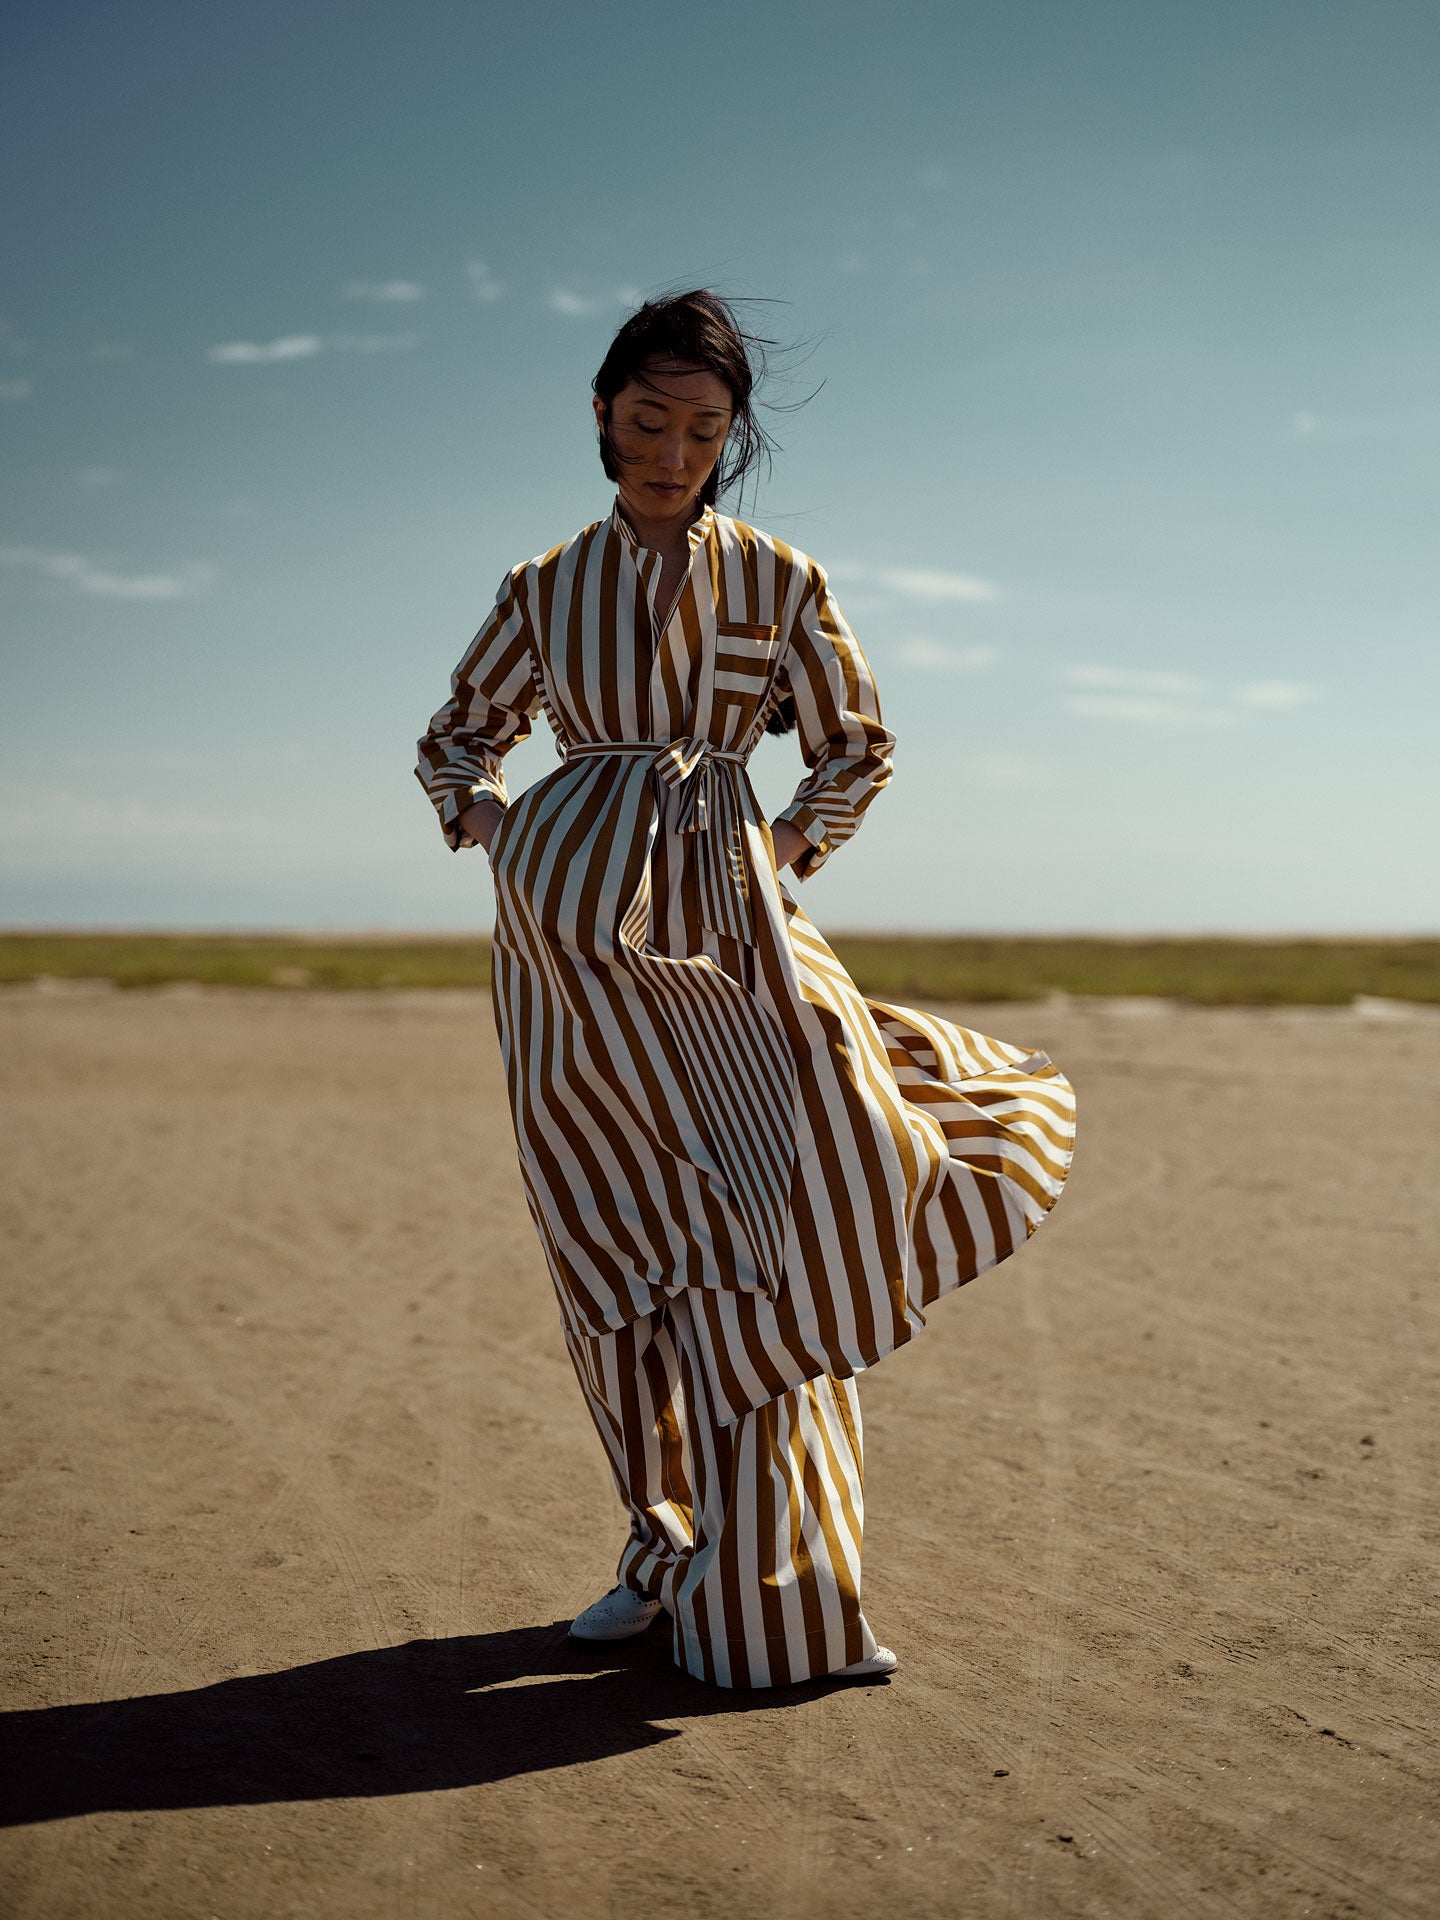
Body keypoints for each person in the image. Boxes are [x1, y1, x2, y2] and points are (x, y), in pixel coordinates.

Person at [416, 290, 1075, 1688]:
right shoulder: (541, 589)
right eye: (648, 420)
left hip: (736, 939)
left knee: (790, 1212)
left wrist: (779, 854)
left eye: (703, 428)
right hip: (566, 966)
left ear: (733, 438)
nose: (672, 450)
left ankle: (794, 1580)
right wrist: (507, 834)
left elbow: (857, 746)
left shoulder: (779, 578)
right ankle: (657, 1552)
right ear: (602, 416)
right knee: (613, 1243)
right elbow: (454, 742)